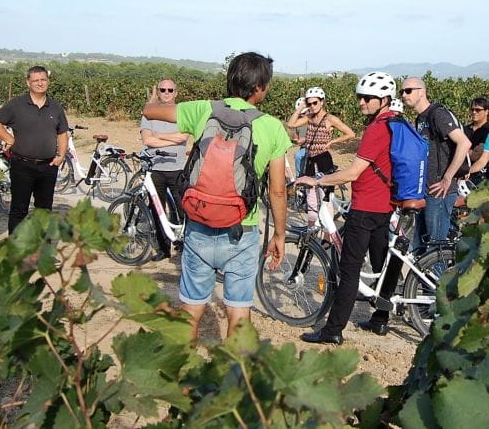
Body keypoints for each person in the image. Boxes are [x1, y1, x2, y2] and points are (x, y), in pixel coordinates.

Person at [142, 52, 290, 339]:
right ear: (260, 87)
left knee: (190, 309)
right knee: (238, 312)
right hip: (242, 230)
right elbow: (277, 190)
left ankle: (180, 378)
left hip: (199, 223)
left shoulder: (203, 110)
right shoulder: (272, 127)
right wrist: (280, 236)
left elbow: (150, 112)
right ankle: (234, 381)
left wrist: (154, 97)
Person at [297, 71, 399, 345]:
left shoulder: (376, 129)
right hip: (385, 206)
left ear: (384, 99)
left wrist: (317, 179)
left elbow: (353, 173)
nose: (362, 102)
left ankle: (332, 331)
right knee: (381, 264)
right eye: (360, 97)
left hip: (366, 207)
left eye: (368, 98)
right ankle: (380, 320)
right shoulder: (396, 123)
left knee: (349, 269)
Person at [0, 66, 69, 234]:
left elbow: (62, 133)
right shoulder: (17, 104)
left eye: (43, 80)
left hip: (48, 167)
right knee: (19, 210)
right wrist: (8, 138)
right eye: (36, 80)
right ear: (28, 83)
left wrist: (61, 155)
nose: (40, 83)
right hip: (22, 166)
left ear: (48, 81)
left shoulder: (55, 107)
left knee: (44, 210)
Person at [399, 78, 471, 245]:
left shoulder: (437, 114)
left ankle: (440, 272)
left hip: (440, 191)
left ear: (422, 92)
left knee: (435, 248)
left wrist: (447, 177)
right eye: (402, 92)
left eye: (408, 91)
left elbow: (464, 142)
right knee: (420, 247)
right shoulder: (421, 118)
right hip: (427, 190)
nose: (403, 95)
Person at [286, 87, 356, 229]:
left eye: (315, 103)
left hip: (323, 159)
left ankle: (327, 236)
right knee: (311, 195)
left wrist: (333, 141)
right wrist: (300, 108)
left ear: (322, 102)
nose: (312, 106)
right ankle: (311, 229)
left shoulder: (330, 119)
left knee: (326, 197)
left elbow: (350, 133)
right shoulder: (309, 117)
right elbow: (290, 124)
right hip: (310, 159)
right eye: (309, 103)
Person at [139, 78, 192, 261]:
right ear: (158, 92)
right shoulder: (149, 114)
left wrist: (159, 136)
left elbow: (183, 137)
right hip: (156, 169)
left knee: (183, 209)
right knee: (157, 210)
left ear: (176, 92)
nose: (167, 93)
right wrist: (173, 138)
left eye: (170, 90)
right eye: (163, 90)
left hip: (178, 169)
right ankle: (164, 248)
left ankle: (184, 243)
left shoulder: (182, 113)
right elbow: (147, 141)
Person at [464, 97, 489, 186]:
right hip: (464, 174)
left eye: (478, 110)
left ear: (486, 111)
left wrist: (461, 148)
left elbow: (476, 155)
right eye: (472, 109)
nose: (474, 112)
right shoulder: (465, 129)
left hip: (482, 176)